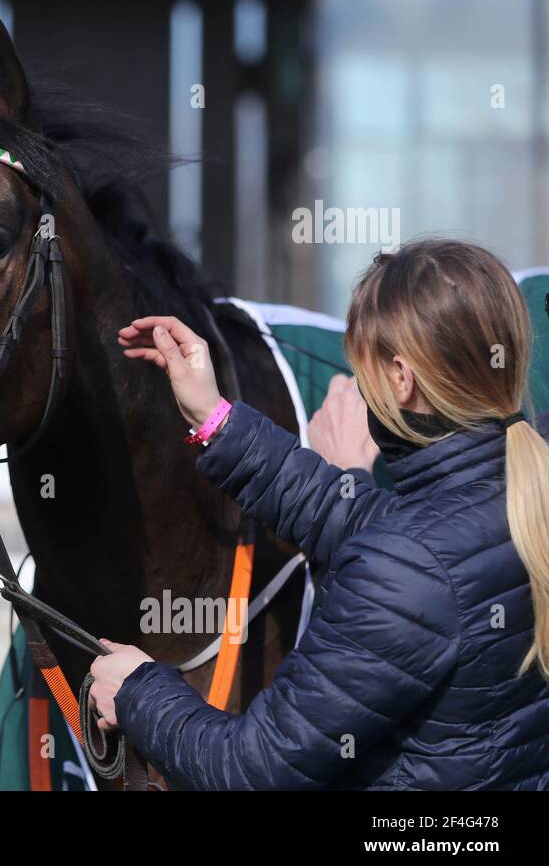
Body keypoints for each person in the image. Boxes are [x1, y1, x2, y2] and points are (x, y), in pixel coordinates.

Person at [88, 239, 549, 789]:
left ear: (402, 380)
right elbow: (362, 526)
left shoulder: (407, 563)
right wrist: (213, 418)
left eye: (363, 370)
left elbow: (253, 769)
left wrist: (139, 690)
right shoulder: (516, 486)